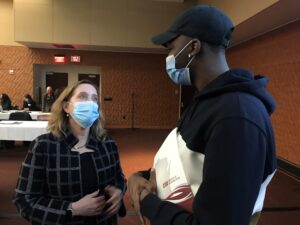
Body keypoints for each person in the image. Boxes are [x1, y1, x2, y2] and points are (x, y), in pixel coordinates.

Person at [128, 5, 276, 225]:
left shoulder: (236, 116)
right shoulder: (207, 100)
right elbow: (189, 163)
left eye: (170, 48)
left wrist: (147, 202)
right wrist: (139, 176)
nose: (168, 56)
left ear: (193, 47)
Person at [13, 80, 126, 225]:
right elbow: (24, 200)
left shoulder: (108, 144)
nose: (90, 103)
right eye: (83, 97)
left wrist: (119, 192)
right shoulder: (43, 147)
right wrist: (72, 209)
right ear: (66, 107)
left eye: (94, 99)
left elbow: (119, 178)